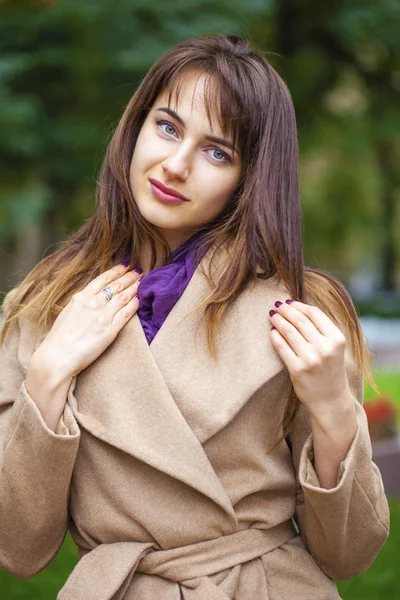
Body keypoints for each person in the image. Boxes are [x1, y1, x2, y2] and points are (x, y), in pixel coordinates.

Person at [0, 34, 389, 600]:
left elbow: (350, 554)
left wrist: (333, 411)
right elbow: (18, 549)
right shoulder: (42, 306)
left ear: (249, 179)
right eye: (167, 126)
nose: (175, 165)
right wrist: (49, 375)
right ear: (135, 128)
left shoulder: (298, 311)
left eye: (217, 152)